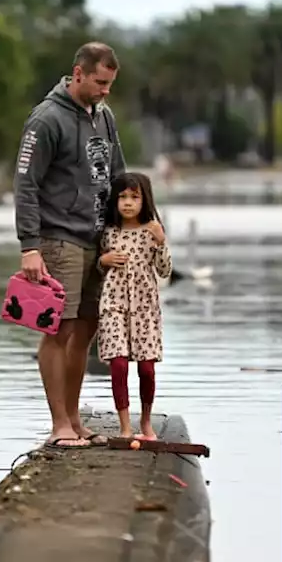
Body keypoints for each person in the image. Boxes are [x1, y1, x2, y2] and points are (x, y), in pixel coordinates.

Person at [13, 42, 127, 449]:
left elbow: (118, 176)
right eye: (100, 82)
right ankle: (59, 424)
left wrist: (134, 226)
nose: (105, 91)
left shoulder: (104, 116)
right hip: (57, 238)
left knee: (86, 329)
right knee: (58, 330)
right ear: (78, 73)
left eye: (111, 84)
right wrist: (30, 246)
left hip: (97, 238)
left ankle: (76, 421)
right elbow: (25, 185)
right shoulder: (45, 120)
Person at [95, 172, 171, 441]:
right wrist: (103, 260)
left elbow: (164, 271)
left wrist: (161, 242)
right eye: (123, 197)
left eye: (134, 197)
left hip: (145, 308)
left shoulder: (152, 231)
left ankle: (146, 422)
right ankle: (125, 426)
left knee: (146, 369)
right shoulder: (108, 233)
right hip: (114, 304)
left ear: (144, 200)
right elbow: (97, 267)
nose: (128, 203)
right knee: (118, 365)